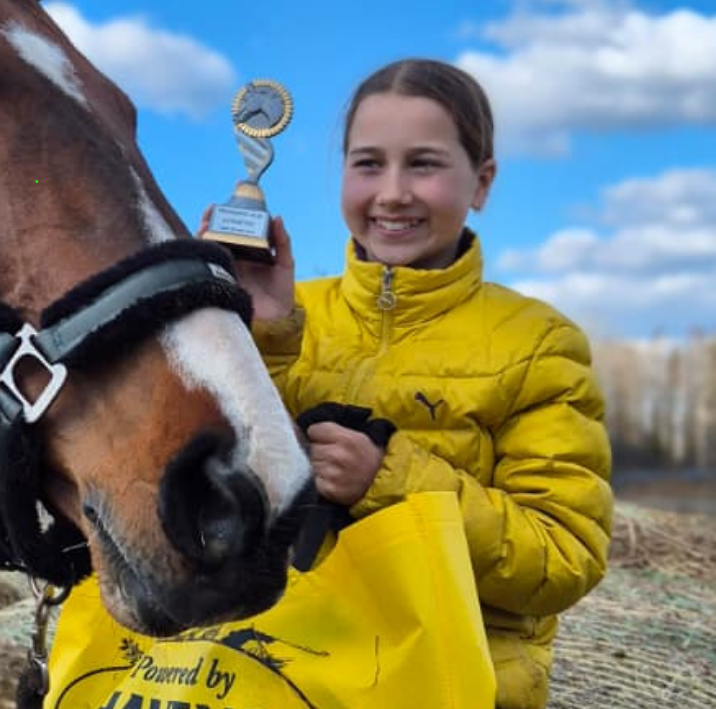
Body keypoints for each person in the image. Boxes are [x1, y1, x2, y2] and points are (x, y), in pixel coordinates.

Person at [202, 58, 614, 709]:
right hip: (279, 673)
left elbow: (564, 558)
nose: (392, 193)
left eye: (423, 164)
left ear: (481, 183)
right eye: (369, 164)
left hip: (448, 682)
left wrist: (389, 482)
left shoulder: (537, 343)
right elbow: (211, 494)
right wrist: (249, 333)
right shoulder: (296, 313)